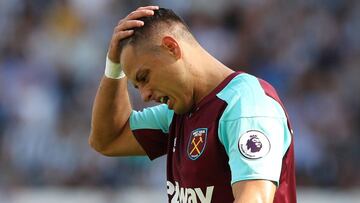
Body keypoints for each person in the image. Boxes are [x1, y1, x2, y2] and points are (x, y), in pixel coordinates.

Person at [89, 6, 296, 203]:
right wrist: (114, 66)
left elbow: (255, 199)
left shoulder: (245, 106)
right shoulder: (178, 113)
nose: (144, 95)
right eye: (136, 86)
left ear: (171, 47)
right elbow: (108, 139)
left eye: (144, 77)